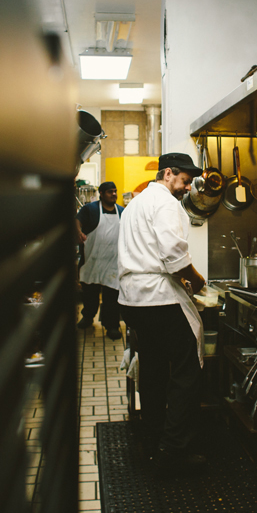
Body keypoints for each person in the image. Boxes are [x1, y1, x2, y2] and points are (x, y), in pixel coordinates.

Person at [117, 152, 207, 474]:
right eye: (184, 181)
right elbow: (173, 254)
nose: (186, 188)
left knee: (153, 369)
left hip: (132, 300)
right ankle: (174, 450)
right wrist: (196, 280)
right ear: (168, 173)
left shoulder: (135, 205)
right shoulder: (166, 203)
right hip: (158, 299)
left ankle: (152, 440)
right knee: (186, 372)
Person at [76, 181, 124, 340]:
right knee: (90, 294)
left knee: (112, 297)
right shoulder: (90, 209)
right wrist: (78, 232)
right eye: (110, 192)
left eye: (115, 191)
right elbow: (77, 222)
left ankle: (112, 326)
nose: (114, 194)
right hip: (92, 260)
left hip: (112, 262)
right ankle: (88, 317)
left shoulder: (122, 211)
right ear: (101, 194)